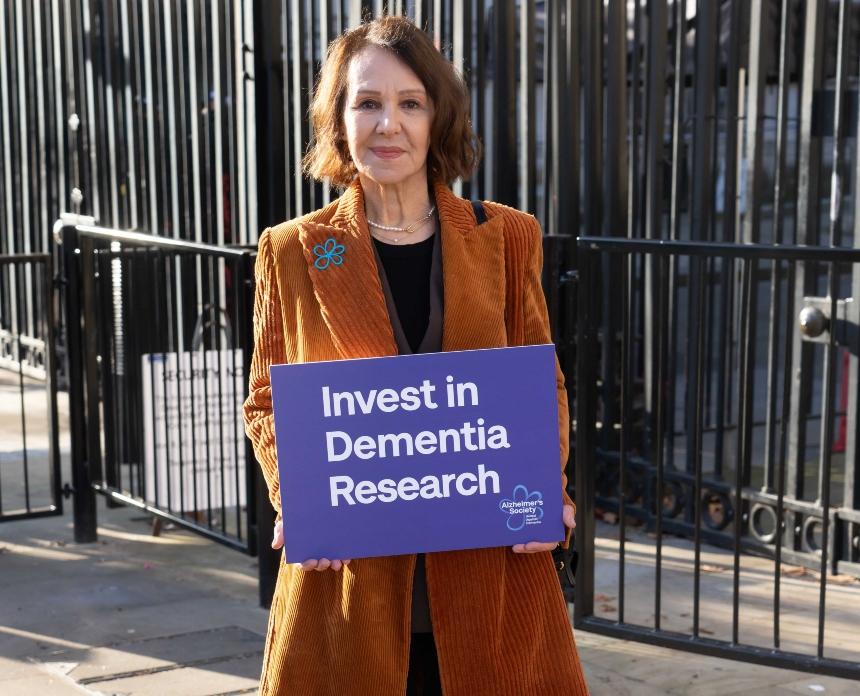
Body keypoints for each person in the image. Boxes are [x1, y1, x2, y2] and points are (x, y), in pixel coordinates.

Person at [244, 15, 589, 696]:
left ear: (438, 117)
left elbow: (539, 382)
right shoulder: (294, 249)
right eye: (367, 103)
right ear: (339, 121)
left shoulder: (507, 236)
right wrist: (300, 496)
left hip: (487, 566)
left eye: (410, 103)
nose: (388, 125)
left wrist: (547, 488)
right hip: (354, 577)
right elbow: (265, 399)